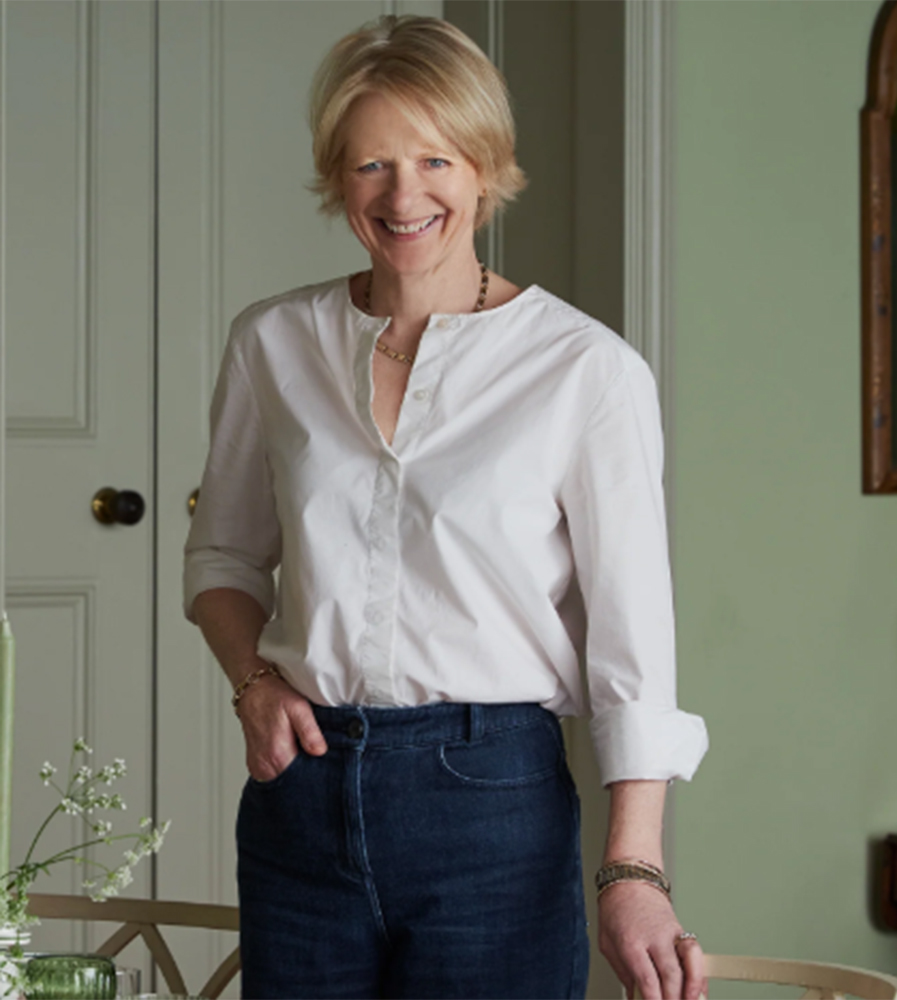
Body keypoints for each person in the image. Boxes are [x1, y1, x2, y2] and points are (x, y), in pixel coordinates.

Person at [184, 14, 708, 1000]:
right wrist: (253, 678)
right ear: (337, 177)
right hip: (299, 794)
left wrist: (633, 870)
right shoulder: (273, 343)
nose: (403, 192)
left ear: (484, 168)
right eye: (371, 163)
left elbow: (633, 645)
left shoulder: (584, 371)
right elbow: (219, 558)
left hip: (491, 801)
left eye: (435, 157)